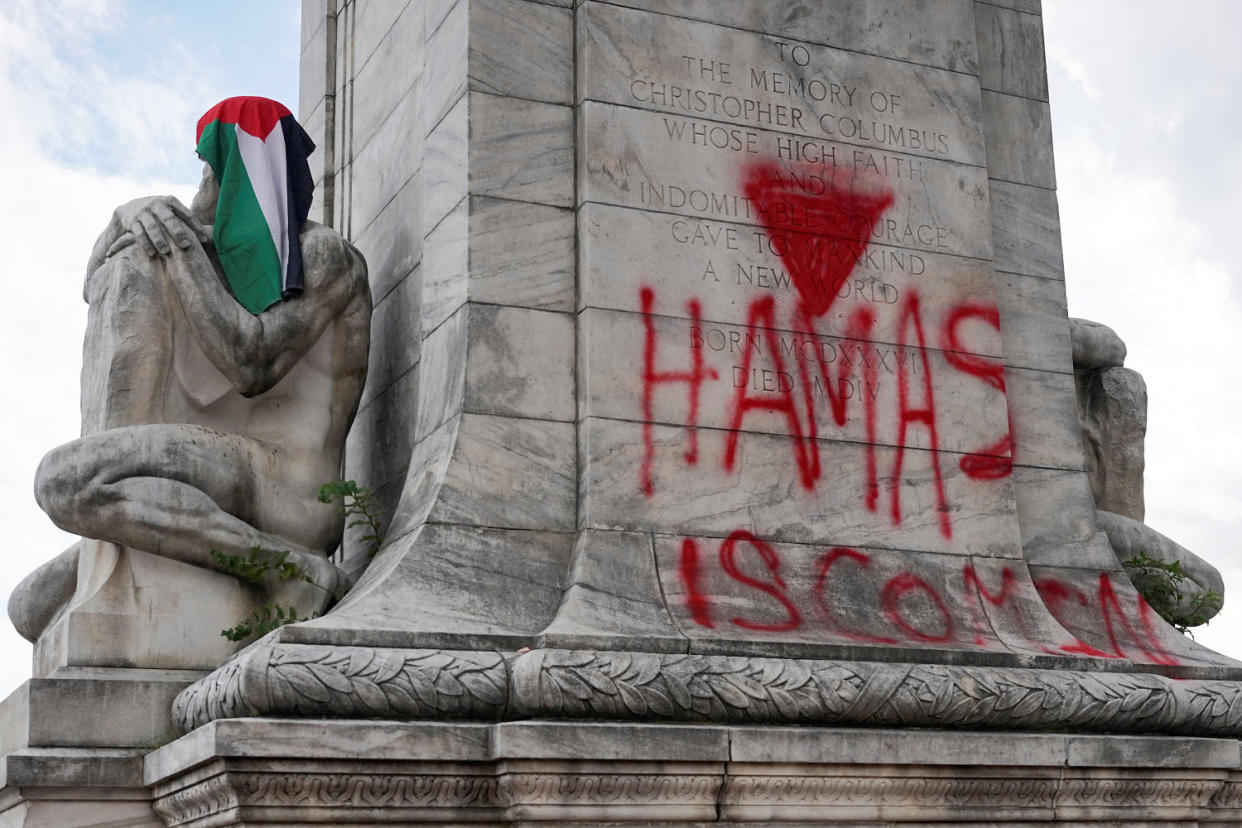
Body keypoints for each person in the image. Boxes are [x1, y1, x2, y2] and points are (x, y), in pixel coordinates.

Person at [13, 98, 370, 639]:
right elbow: (96, 288)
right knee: (29, 607)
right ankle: (260, 559)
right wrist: (125, 216)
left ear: (232, 173)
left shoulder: (324, 254)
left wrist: (177, 245)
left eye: (210, 165)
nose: (201, 184)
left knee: (64, 480)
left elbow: (254, 362)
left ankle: (290, 571)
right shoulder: (224, 256)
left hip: (287, 485)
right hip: (225, 477)